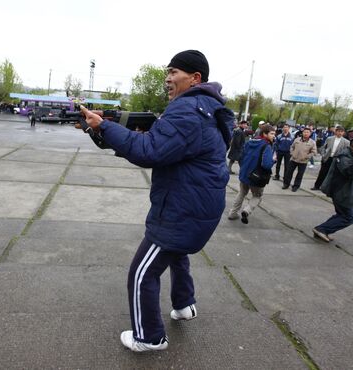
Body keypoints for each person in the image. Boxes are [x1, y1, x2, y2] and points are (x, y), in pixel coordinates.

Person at [80, 50, 234, 352]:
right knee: (177, 254)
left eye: (174, 72)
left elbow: (148, 151)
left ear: (195, 78)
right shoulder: (205, 109)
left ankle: (149, 337)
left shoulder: (186, 110)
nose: (167, 78)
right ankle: (184, 305)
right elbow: (167, 147)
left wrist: (104, 126)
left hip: (180, 210)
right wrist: (108, 131)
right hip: (199, 206)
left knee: (141, 274)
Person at [227, 124, 275, 224]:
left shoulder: (250, 142)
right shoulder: (266, 146)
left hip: (244, 173)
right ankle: (246, 211)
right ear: (264, 134)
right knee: (257, 196)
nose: (274, 136)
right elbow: (266, 165)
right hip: (257, 177)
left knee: (241, 193)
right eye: (272, 133)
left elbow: (241, 156)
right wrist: (273, 160)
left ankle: (232, 213)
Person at [311, 126, 350, 190]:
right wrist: (323, 155)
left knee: (333, 174)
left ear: (343, 133)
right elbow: (324, 147)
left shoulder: (346, 142)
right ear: (335, 131)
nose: (340, 133)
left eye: (341, 131)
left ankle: (328, 187)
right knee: (322, 173)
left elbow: (346, 151)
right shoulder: (330, 138)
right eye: (338, 131)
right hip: (328, 157)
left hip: (337, 159)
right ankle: (317, 186)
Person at [282, 127, 317, 192]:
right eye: (304, 132)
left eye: (307, 132)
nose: (306, 133)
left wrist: (306, 156)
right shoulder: (297, 139)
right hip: (293, 159)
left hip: (303, 161)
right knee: (289, 172)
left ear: (310, 133)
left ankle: (296, 186)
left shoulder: (312, 142)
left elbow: (314, 152)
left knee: (300, 174)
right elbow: (292, 147)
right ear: (302, 133)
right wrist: (292, 153)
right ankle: (286, 184)